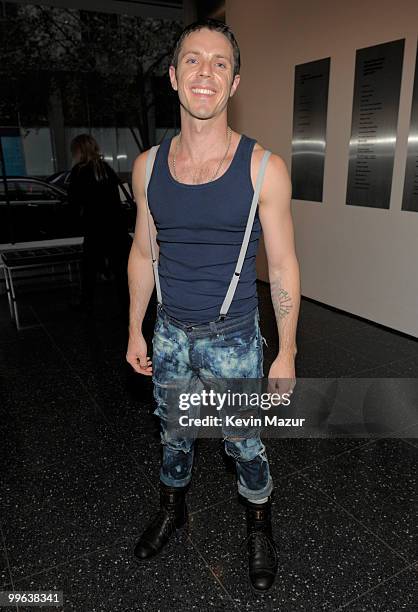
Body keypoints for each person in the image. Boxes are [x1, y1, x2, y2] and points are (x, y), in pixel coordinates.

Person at [126, 19, 300, 593]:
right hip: (170, 334)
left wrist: (287, 351)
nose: (206, 72)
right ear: (174, 78)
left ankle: (258, 526)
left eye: (220, 63)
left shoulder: (263, 168)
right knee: (174, 433)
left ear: (235, 82)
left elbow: (281, 267)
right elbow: (143, 252)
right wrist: (135, 330)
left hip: (233, 339)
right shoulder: (148, 167)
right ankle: (173, 509)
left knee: (243, 443)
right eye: (193, 61)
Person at [68, 134, 131, 314]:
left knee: (88, 269)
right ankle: (126, 307)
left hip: (95, 229)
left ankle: (86, 303)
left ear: (78, 151)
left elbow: (74, 203)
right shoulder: (105, 169)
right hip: (115, 229)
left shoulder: (80, 171)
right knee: (120, 272)